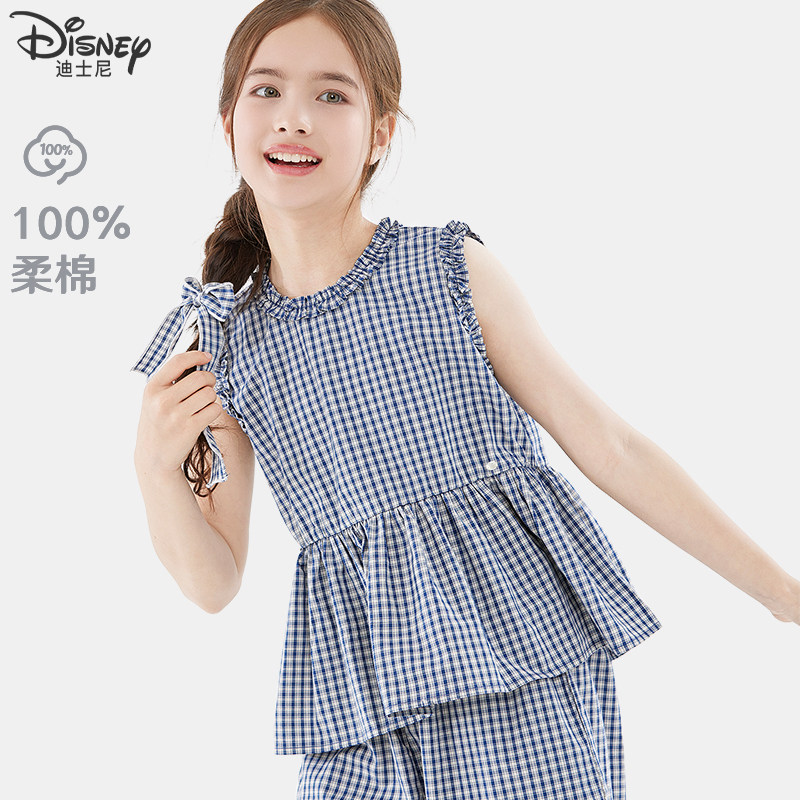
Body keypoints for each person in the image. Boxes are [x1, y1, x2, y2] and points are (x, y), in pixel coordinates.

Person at [130, 1, 800, 797]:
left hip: (515, 656)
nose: (294, 117)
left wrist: (783, 594)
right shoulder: (227, 345)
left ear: (380, 132)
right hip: (360, 696)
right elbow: (214, 583)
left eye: (333, 94)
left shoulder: (448, 270)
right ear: (229, 123)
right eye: (266, 90)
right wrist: (154, 469)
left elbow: (611, 448)